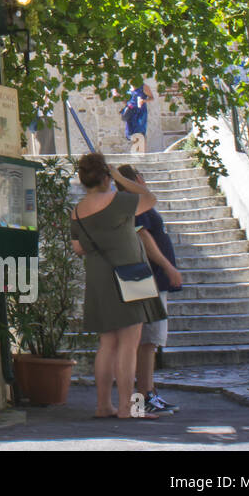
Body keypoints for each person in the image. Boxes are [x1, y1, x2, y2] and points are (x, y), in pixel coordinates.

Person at [70, 152, 166, 420]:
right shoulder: (120, 201)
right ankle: (127, 407)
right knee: (129, 344)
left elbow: (78, 248)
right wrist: (121, 177)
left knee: (107, 343)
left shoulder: (76, 211)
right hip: (131, 273)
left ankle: (103, 405)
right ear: (104, 176)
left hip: (99, 276)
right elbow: (150, 198)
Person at [118, 163, 184, 415]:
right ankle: (144, 396)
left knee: (145, 340)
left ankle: (146, 395)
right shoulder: (136, 202)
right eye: (140, 178)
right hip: (150, 278)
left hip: (142, 276)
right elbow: (144, 236)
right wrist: (168, 266)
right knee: (148, 340)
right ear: (136, 179)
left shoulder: (127, 203)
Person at [121, 83, 155, 153]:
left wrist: (144, 101)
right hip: (131, 113)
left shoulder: (143, 87)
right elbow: (125, 101)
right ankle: (136, 153)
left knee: (140, 132)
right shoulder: (127, 87)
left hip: (140, 112)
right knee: (132, 133)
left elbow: (152, 97)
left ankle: (142, 153)